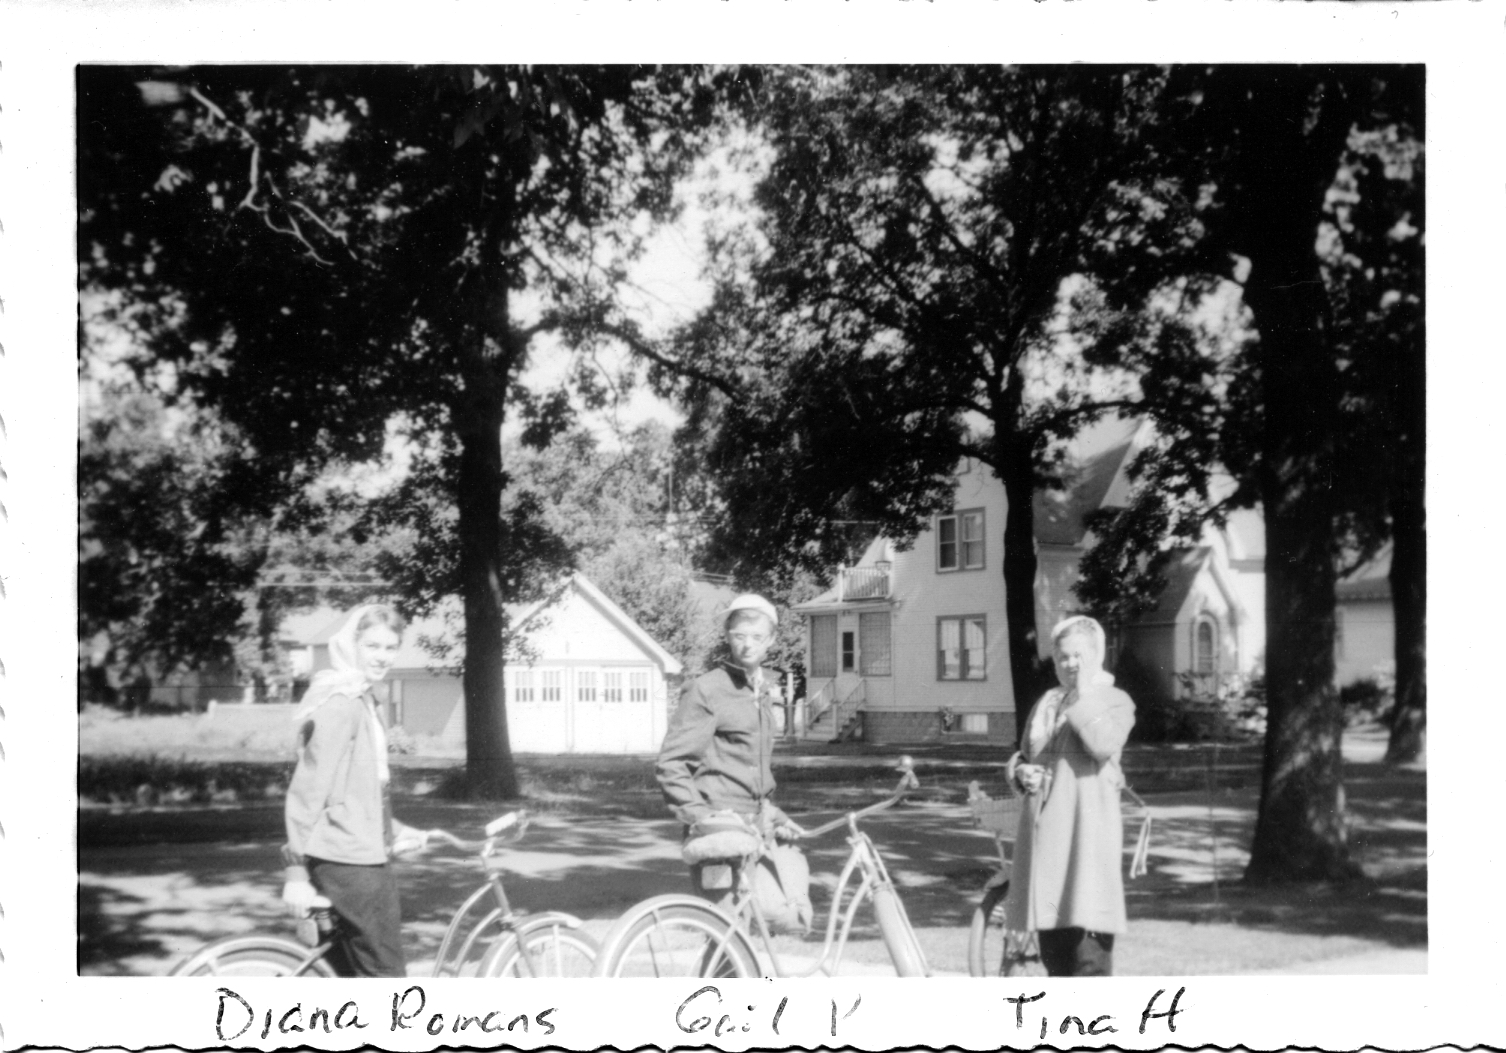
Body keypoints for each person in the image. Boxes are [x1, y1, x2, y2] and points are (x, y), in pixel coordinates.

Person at [280, 604, 431, 977]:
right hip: (351, 863)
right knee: (388, 979)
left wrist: (392, 829)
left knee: (348, 977)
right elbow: (308, 790)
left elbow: (356, 790)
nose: (382, 656)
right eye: (373, 646)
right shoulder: (342, 703)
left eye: (390, 647)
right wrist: (295, 873)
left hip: (359, 852)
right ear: (352, 644)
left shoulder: (364, 700)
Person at [1003, 615, 1136, 977]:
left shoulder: (1114, 700)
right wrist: (1020, 770)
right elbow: (1027, 755)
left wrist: (1084, 695)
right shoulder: (1047, 703)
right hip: (1046, 847)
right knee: (1056, 962)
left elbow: (1103, 743)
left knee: (1088, 961)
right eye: (1063, 657)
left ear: (1098, 655)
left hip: (1085, 844)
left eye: (1079, 655)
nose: (1070, 664)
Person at [656, 593, 803, 902]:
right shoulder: (707, 690)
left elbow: (749, 768)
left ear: (771, 639)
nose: (747, 644)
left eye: (757, 636)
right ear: (727, 636)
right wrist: (702, 818)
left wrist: (774, 815)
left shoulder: (761, 691)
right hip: (719, 831)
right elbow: (672, 764)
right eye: (739, 635)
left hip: (756, 827)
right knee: (725, 928)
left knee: (772, 919)